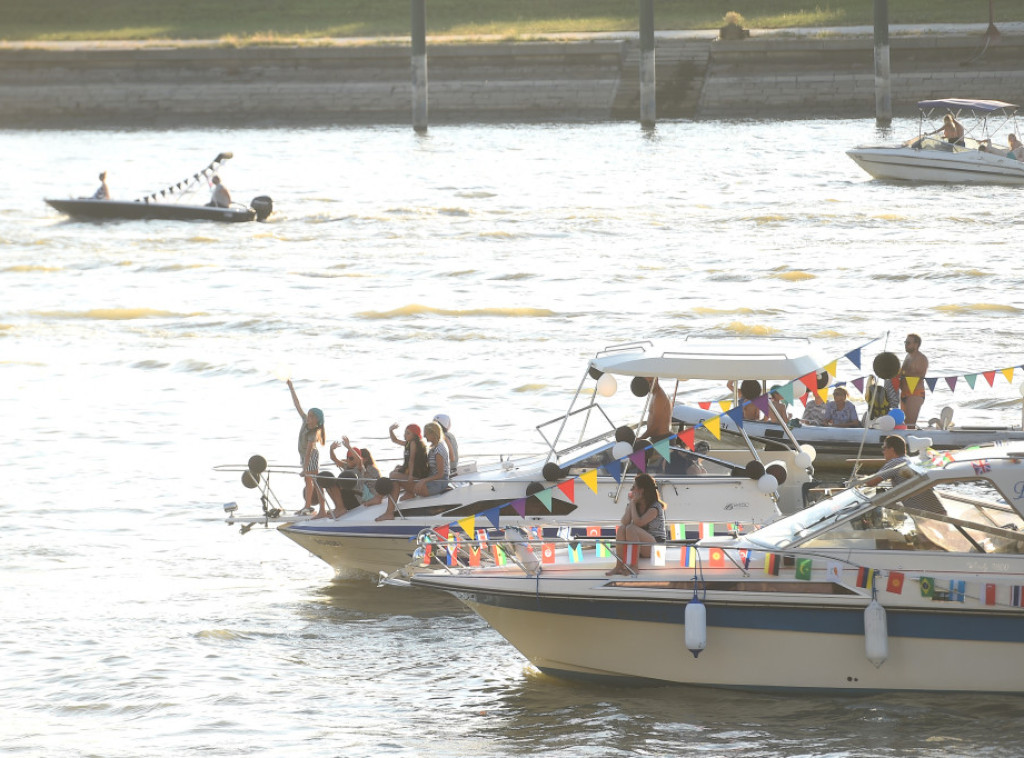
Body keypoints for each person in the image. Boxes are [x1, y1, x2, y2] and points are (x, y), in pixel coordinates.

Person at [605, 473, 667, 576]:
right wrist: (631, 505)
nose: (631, 490)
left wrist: (633, 503)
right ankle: (619, 566)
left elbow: (639, 522)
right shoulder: (634, 504)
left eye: (634, 487)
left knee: (631, 528)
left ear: (641, 490)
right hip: (641, 546)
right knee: (622, 529)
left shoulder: (655, 507)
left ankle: (634, 567)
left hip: (656, 548)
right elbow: (624, 522)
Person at [286, 379, 326, 515]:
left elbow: (309, 452)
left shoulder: (314, 433)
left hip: (311, 456)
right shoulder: (304, 421)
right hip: (304, 456)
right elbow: (297, 405)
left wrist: (304, 468)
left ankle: (322, 509)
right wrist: (291, 388)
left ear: (317, 420)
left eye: (311, 416)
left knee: (315, 481)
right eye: (308, 415)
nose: (308, 417)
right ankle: (307, 506)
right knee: (308, 481)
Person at [412, 421, 451, 497]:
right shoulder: (434, 447)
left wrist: (423, 480)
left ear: (433, 434)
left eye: (426, 433)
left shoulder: (438, 449)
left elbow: (440, 474)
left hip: (439, 482)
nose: (424, 436)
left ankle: (410, 494)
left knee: (399, 478)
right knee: (400, 477)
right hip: (432, 479)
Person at [900, 333, 928, 429]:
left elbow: (920, 376)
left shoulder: (921, 358)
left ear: (916, 344)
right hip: (904, 393)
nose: (905, 345)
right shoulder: (907, 357)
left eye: (908, 343)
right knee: (903, 423)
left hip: (915, 393)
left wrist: (903, 374)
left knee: (910, 424)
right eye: (905, 342)